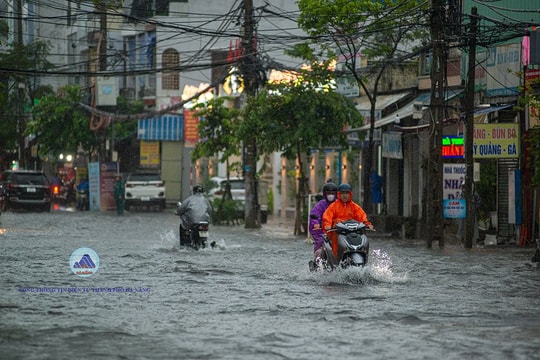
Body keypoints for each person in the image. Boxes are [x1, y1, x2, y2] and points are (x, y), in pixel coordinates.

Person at [322, 183, 374, 258]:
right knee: (335, 244)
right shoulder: (333, 206)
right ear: (339, 194)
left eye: (347, 193)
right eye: (342, 193)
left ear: (350, 194)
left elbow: (362, 217)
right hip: (338, 232)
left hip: (352, 232)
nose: (345, 195)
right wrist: (328, 225)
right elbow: (327, 216)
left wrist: (368, 224)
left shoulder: (355, 207)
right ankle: (336, 257)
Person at [308, 182, 338, 270]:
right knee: (319, 249)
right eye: (329, 193)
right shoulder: (320, 205)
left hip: (338, 233)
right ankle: (317, 265)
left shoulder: (340, 204)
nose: (331, 195)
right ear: (325, 194)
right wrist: (316, 224)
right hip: (323, 233)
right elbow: (314, 217)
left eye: (333, 193)